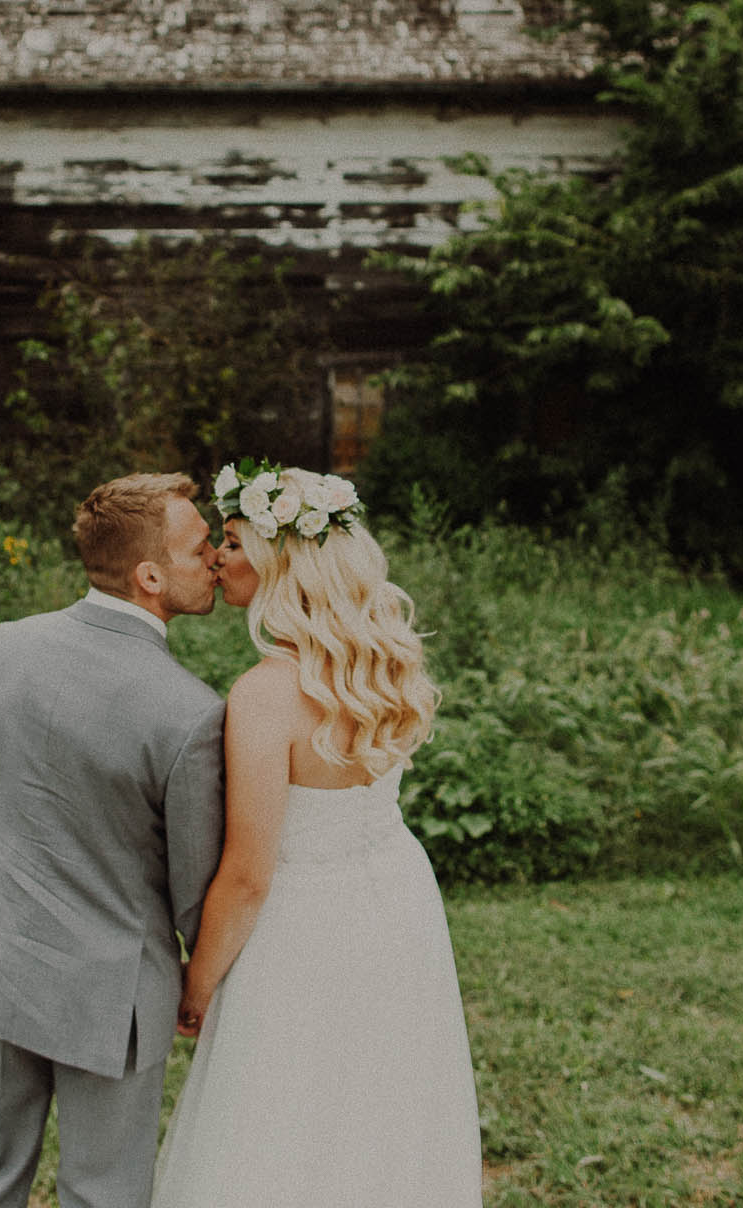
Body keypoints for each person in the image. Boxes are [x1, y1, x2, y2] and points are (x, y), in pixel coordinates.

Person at [150, 461, 482, 1208]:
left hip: (302, 926)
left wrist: (195, 983)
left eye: (231, 542)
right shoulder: (384, 664)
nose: (217, 558)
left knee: (283, 1111)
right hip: (396, 898)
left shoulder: (266, 694)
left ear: (277, 559)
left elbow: (247, 873)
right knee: (381, 1106)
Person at [0, 473, 227, 1208]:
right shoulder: (191, 714)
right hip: (115, 994)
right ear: (149, 576)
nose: (217, 557)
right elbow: (194, 889)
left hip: (1, 955)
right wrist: (199, 979)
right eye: (199, 548)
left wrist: (7, 907)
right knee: (104, 1193)